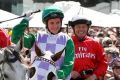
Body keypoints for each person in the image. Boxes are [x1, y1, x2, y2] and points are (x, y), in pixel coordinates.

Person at [11, 6, 75, 80]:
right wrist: (25, 21)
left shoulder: (67, 40)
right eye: (52, 23)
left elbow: (69, 63)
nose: (55, 26)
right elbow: (15, 38)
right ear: (46, 24)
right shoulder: (37, 37)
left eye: (58, 22)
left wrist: (57, 75)